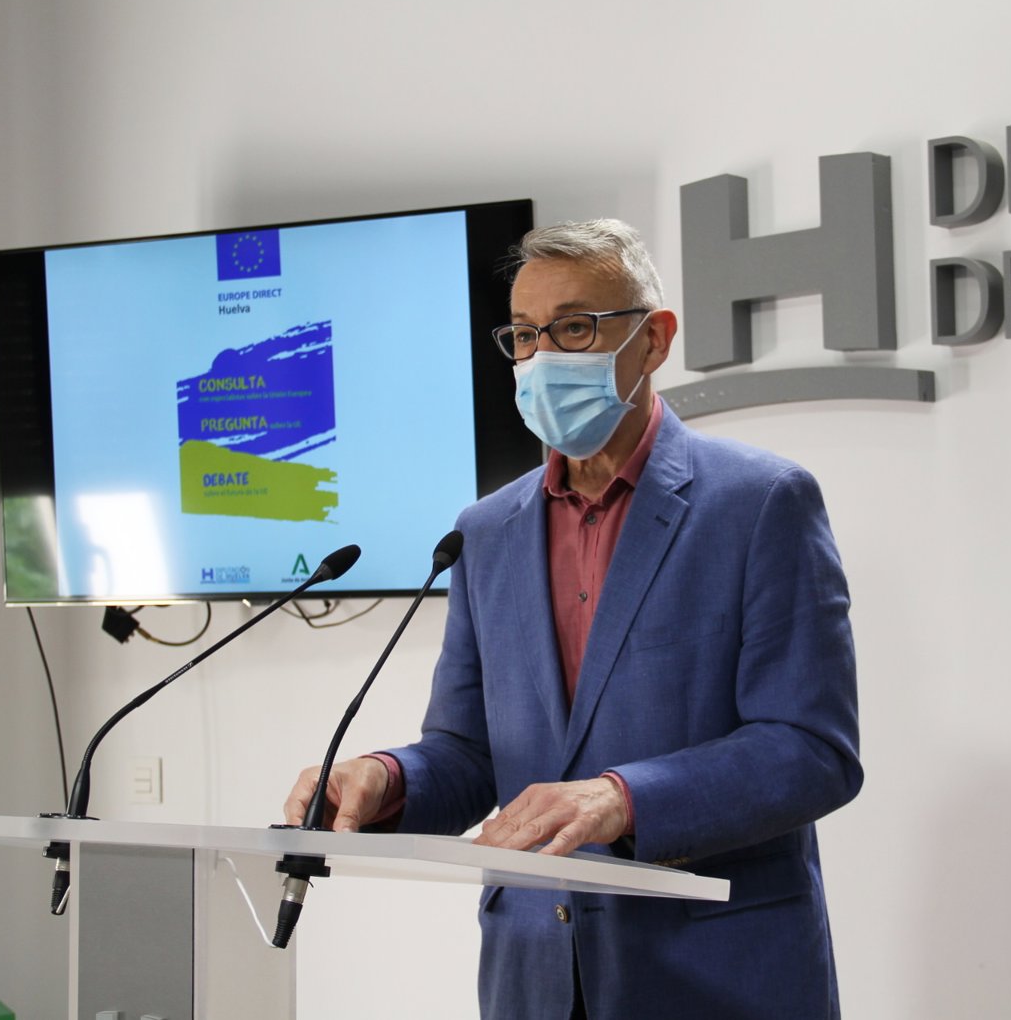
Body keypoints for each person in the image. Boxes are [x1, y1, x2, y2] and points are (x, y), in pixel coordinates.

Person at [284, 219, 862, 1020]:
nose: (544, 357)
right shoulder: (485, 531)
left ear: (654, 339)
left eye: (575, 328)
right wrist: (385, 780)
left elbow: (812, 750)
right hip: (535, 978)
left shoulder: (761, 503)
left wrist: (622, 798)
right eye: (524, 335)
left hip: (718, 975)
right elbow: (470, 753)